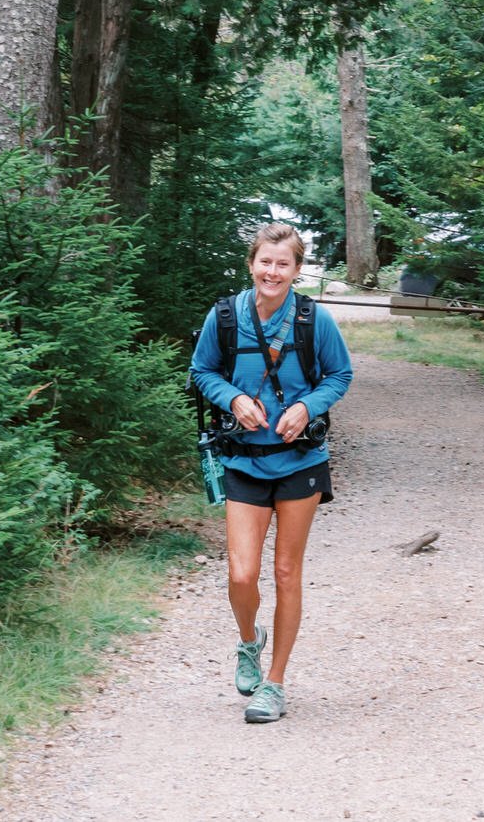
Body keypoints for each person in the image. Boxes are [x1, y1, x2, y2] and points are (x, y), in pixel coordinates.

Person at [189, 223, 354, 724]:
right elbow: (202, 371)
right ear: (251, 263)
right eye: (265, 262)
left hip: (301, 459)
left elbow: (340, 374)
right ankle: (248, 641)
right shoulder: (224, 317)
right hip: (242, 458)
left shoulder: (313, 319)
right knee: (241, 572)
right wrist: (234, 398)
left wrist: (306, 407)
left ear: (297, 270)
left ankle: (275, 684)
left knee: (286, 571)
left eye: (284, 264)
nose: (273, 272)